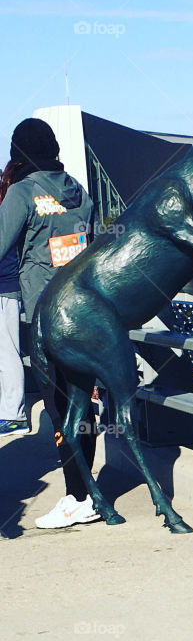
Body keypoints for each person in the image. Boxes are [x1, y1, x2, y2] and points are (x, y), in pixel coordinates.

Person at [0, 119, 97, 528]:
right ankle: (87, 494)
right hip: (84, 310)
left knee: (59, 407)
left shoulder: (23, 193)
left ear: (20, 153)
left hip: (46, 314)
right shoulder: (80, 193)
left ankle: (79, 497)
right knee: (83, 401)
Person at [0, 161, 26, 436]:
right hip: (6, 287)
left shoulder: (7, 209)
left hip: (4, 288)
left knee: (7, 353)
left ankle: (15, 416)